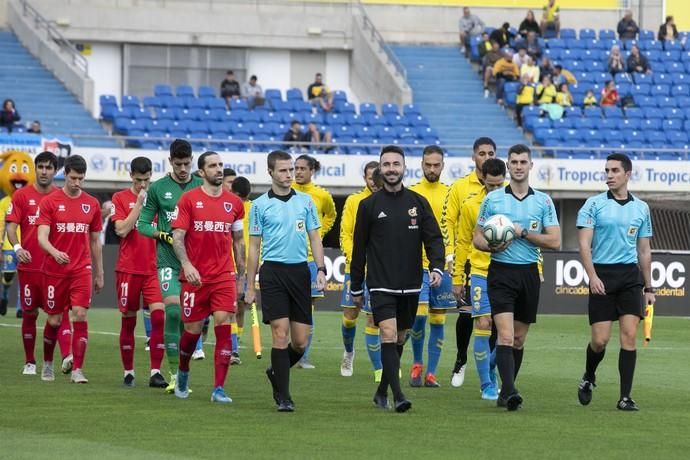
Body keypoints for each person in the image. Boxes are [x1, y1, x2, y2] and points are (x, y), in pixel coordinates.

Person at [350, 145, 444, 413]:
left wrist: (436, 267)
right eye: (387, 164)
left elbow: (433, 238)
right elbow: (359, 249)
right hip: (380, 283)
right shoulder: (368, 206)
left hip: (412, 283)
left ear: (404, 167)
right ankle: (399, 395)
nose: (391, 169)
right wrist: (357, 285)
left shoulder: (417, 202)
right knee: (388, 333)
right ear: (380, 168)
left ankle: (381, 392)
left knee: (400, 338)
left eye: (396, 164)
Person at [473, 144, 560, 410]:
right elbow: (477, 237)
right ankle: (510, 391)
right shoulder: (493, 199)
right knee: (506, 337)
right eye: (514, 162)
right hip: (501, 272)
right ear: (508, 166)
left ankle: (506, 390)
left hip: (529, 274)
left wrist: (524, 234)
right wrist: (492, 246)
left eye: (523, 162)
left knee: (519, 339)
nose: (519, 166)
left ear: (531, 166)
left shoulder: (543, 201)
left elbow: (555, 241)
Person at [244, 150, 327, 412]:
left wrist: (322, 269)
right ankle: (284, 397)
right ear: (270, 172)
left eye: (291, 169)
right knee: (280, 334)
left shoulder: (306, 202)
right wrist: (249, 284)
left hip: (300, 272)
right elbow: (254, 247)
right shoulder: (259, 206)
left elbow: (315, 238)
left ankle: (276, 372)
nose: (289, 174)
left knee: (300, 342)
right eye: (283, 170)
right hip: (273, 274)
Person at [575, 153, 653, 412]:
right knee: (600, 341)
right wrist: (592, 276)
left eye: (614, 170)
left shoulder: (641, 208)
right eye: (607, 170)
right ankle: (588, 376)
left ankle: (625, 397)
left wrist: (649, 286)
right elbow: (584, 245)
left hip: (630, 278)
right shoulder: (593, 205)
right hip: (602, 276)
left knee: (629, 336)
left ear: (627, 174)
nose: (609, 175)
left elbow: (643, 250)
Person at [170, 151, 245, 403]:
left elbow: (238, 242)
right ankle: (183, 372)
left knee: (223, 325)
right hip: (194, 278)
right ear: (201, 172)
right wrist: (187, 265)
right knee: (192, 331)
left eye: (221, 165)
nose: (219, 169)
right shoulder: (188, 200)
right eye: (213, 166)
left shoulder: (234, 203)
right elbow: (178, 237)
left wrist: (241, 275)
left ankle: (219, 388)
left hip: (223, 275)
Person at [137, 139, 203, 393]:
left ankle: (188, 366)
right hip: (168, 261)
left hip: (196, 263)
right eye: (179, 164)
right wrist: (163, 235)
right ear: (170, 162)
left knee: (193, 321)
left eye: (187, 163)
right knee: (172, 312)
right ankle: (175, 375)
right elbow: (142, 224)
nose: (184, 168)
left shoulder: (200, 186)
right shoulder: (158, 189)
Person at [36, 155, 105, 384]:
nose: (77, 183)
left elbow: (95, 241)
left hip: (80, 269)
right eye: (73, 178)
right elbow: (41, 237)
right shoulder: (50, 202)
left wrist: (99, 272)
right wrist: (55, 252)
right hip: (54, 271)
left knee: (80, 314)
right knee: (54, 320)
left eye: (81, 179)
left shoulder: (92, 204)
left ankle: (77, 370)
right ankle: (47, 363)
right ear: (65, 174)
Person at [6, 151, 73, 376]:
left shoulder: (61, 197)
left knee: (60, 313)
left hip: (54, 268)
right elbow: (11, 227)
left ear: (55, 171)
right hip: (29, 267)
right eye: (41, 167)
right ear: (36, 169)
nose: (44, 171)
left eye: (48, 167)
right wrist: (17, 248)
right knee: (30, 313)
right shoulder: (22, 196)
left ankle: (67, 356)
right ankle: (30, 362)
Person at [442, 137, 496, 387]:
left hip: (498, 264)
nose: (486, 157)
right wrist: (451, 256)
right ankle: (462, 359)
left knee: (495, 320)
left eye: (491, 153)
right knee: (466, 315)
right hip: (468, 262)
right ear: (473, 157)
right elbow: (449, 223)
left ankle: (492, 368)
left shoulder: (502, 189)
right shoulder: (460, 188)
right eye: (482, 153)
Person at [111, 157, 167, 388]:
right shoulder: (120, 198)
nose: (143, 185)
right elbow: (122, 230)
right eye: (139, 180)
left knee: (159, 316)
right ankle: (129, 372)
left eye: (146, 180)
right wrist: (139, 205)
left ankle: (155, 372)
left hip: (153, 269)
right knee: (128, 320)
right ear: (131, 176)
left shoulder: (159, 199)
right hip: (128, 269)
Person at [455, 158, 507, 400]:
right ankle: (486, 383)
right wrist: (457, 276)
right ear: (482, 180)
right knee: (483, 324)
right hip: (480, 271)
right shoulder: (470, 205)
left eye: (499, 185)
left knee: (509, 332)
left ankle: (492, 364)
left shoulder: (515, 204)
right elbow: (463, 242)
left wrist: (536, 268)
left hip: (510, 271)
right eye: (491, 185)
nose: (495, 190)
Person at [408, 146, 457, 388]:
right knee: (418, 318)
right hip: (416, 266)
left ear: (443, 166)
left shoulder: (450, 193)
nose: (432, 169)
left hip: (445, 265)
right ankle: (417, 363)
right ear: (421, 164)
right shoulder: (412, 193)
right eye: (428, 164)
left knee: (438, 320)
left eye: (436, 165)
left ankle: (432, 373)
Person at [339, 161, 383, 380]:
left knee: (374, 318)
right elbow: (345, 234)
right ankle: (348, 351)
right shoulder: (355, 201)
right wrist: (356, 258)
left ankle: (378, 370)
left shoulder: (389, 202)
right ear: (364, 179)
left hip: (380, 271)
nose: (374, 182)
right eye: (369, 178)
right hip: (355, 268)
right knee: (349, 317)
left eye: (377, 177)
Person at [292, 154, 337, 368]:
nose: (298, 172)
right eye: (296, 168)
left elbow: (331, 215)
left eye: (302, 168)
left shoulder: (322, 195)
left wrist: (318, 233)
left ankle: (303, 356)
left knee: (307, 307)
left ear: (312, 171)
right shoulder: (286, 190)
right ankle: (289, 350)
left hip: (310, 260)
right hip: (288, 258)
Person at [230, 175, 253, 364]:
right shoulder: (228, 207)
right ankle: (233, 349)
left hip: (245, 265)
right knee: (232, 306)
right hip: (228, 263)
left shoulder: (253, 209)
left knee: (240, 306)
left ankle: (235, 343)